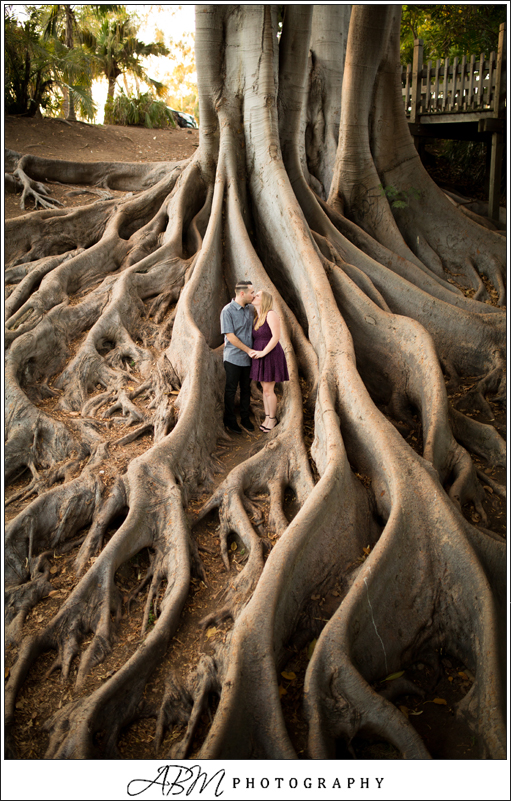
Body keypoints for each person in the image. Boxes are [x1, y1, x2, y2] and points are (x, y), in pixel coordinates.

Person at [250, 290, 289, 431]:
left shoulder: (270, 314)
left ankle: (272, 419)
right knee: (264, 389)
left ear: (264, 300)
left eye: (258, 295)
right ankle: (267, 417)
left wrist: (263, 353)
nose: (254, 296)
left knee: (268, 390)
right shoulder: (256, 318)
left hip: (270, 354)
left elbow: (276, 337)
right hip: (260, 355)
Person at [220, 280, 256, 433]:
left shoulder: (250, 309)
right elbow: (230, 336)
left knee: (246, 389)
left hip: (249, 359)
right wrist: (248, 350)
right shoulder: (227, 311)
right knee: (231, 390)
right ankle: (230, 420)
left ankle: (245, 418)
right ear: (242, 293)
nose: (253, 295)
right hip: (233, 358)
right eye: (251, 292)